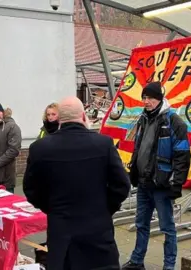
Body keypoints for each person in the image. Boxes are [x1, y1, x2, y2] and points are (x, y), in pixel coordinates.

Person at [23, 96, 130, 270]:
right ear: (83, 116)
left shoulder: (40, 148)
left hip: (61, 231)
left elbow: (31, 189)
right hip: (97, 232)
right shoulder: (103, 144)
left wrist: (51, 208)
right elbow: (122, 185)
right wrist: (105, 208)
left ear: (59, 119)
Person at [122, 82, 190, 270]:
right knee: (141, 224)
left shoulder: (174, 122)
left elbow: (182, 156)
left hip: (162, 185)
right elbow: (139, 148)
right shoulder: (143, 119)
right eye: (144, 97)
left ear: (160, 99)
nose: (146, 101)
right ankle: (137, 261)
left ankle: (169, 266)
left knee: (168, 228)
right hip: (144, 184)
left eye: (150, 98)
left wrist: (177, 184)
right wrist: (133, 172)